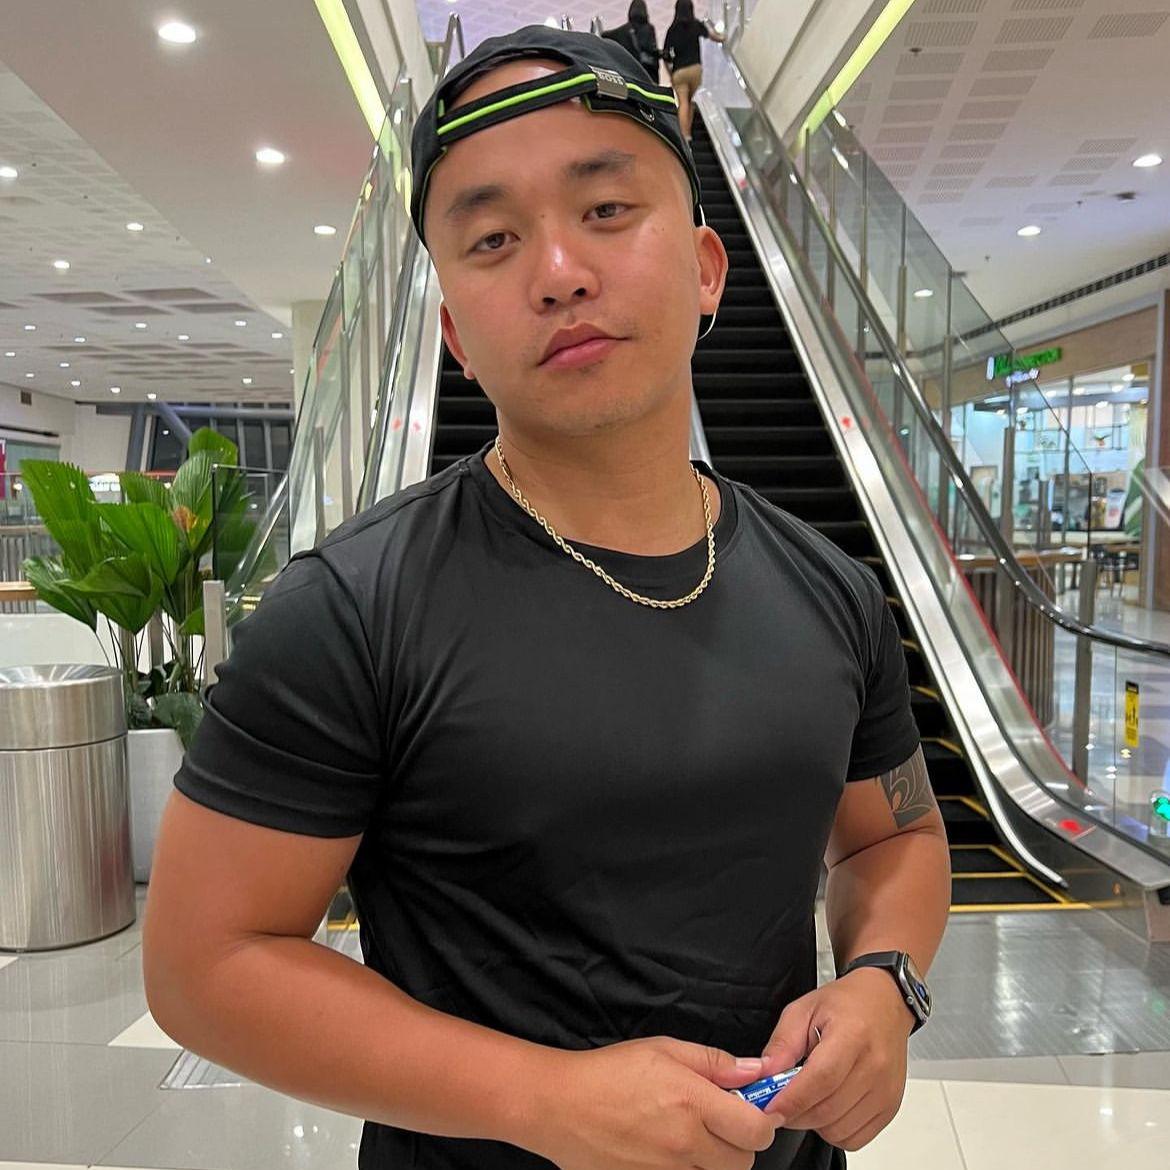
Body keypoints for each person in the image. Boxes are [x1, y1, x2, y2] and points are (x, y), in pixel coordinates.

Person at [142, 24, 951, 1170]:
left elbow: (895, 836)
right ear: (455, 334)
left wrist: (882, 981)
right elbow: (204, 963)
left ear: (707, 267)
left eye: (607, 210)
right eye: (492, 239)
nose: (559, 271)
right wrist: (544, 1099)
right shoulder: (352, 611)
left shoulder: (834, 592)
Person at [663, 0, 725, 140]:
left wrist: (670, 74)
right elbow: (715, 37)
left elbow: (665, 55)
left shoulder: (672, 30)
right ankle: (688, 134)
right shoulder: (696, 25)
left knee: (683, 102)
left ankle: (684, 136)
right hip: (696, 70)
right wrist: (723, 36)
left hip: (680, 71)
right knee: (689, 101)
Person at [602, 0, 661, 81]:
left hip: (630, 69)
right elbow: (650, 47)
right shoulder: (649, 28)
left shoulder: (624, 29)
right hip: (647, 71)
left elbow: (605, 35)